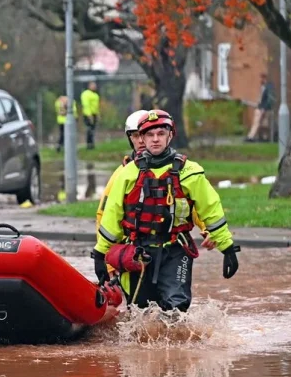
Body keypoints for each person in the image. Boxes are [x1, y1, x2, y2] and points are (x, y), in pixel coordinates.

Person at [91, 109, 240, 313]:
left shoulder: (190, 172)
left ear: (170, 135)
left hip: (176, 250)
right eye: (149, 135)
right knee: (140, 311)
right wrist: (100, 255)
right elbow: (110, 217)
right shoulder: (126, 175)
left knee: (176, 308)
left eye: (161, 134)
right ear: (142, 138)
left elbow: (210, 210)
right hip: (138, 252)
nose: (155, 139)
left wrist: (227, 248)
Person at [96, 110, 216, 251]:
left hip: (171, 248)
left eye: (155, 134)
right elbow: (104, 215)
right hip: (131, 249)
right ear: (130, 139)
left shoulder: (178, 170)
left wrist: (208, 228)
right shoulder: (122, 174)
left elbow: (192, 205)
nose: (141, 141)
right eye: (136, 136)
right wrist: (106, 254)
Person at [245, 73, 274, 142]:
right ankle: (252, 136)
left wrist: (264, 108)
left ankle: (257, 137)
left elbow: (269, 99)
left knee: (263, 124)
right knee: (258, 122)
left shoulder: (269, 87)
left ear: (264, 79)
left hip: (264, 108)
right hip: (261, 108)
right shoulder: (263, 87)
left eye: (261, 78)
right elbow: (261, 98)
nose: (260, 80)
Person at [80, 81, 100, 149]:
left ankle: (92, 144)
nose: (94, 87)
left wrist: (97, 114)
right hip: (88, 114)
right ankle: (89, 144)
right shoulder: (86, 94)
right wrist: (89, 115)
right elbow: (86, 105)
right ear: (89, 86)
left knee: (93, 129)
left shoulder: (95, 95)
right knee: (89, 129)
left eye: (95, 85)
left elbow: (96, 106)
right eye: (93, 85)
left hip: (94, 114)